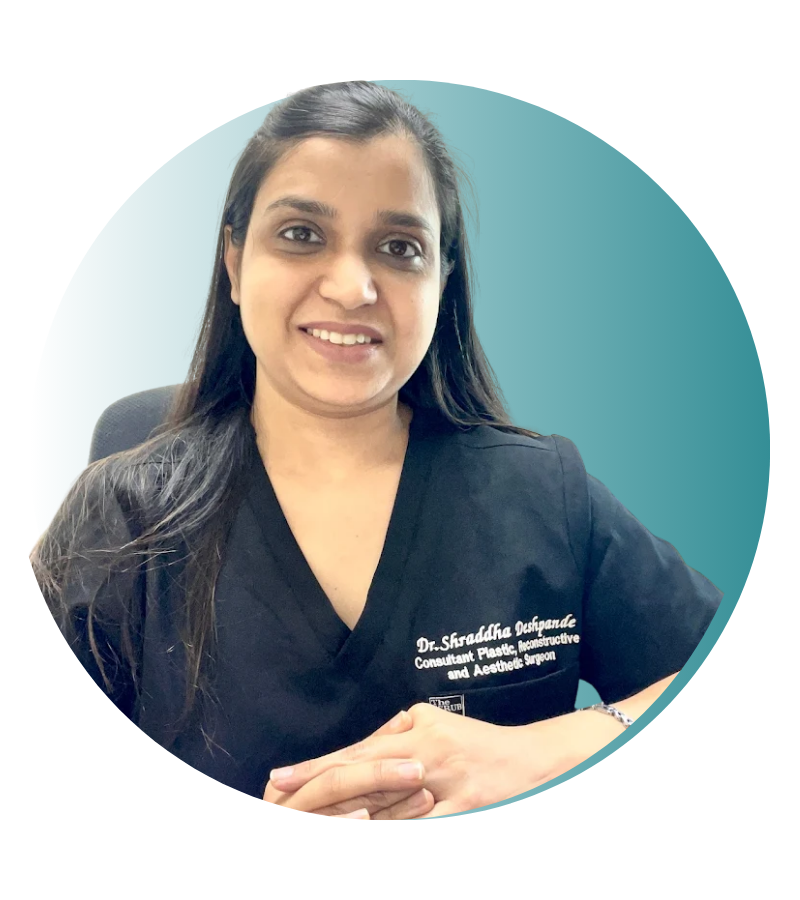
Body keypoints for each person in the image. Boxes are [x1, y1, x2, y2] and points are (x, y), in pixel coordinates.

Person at [31, 81, 722, 820]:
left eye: (399, 248)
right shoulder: (120, 520)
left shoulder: (548, 493)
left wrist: (552, 749)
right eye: (302, 234)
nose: (352, 287)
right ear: (233, 262)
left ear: (441, 281)